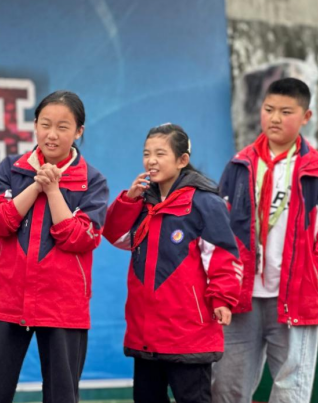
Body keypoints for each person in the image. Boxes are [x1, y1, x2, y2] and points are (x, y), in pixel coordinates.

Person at [0, 91, 109, 403]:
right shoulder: (11, 169)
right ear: (34, 125)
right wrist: (35, 186)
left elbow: (81, 238)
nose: (52, 134)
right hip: (9, 297)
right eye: (45, 124)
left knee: (61, 394)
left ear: (79, 131)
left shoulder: (92, 181)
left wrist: (53, 190)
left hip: (63, 304)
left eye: (62, 127)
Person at [102, 123, 241, 403]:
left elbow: (223, 254)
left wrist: (223, 298)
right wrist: (128, 201)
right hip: (146, 332)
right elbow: (117, 237)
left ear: (182, 160)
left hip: (188, 333)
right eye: (146, 154)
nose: (151, 160)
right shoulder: (142, 201)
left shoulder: (204, 202)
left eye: (160, 153)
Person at [213, 78, 318, 403]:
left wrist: (315, 279)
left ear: (306, 117)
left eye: (286, 112)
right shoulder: (239, 165)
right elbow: (219, 232)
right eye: (269, 109)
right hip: (241, 295)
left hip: (294, 296)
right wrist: (221, 288)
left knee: (291, 392)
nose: (274, 118)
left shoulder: (316, 170)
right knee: (225, 389)